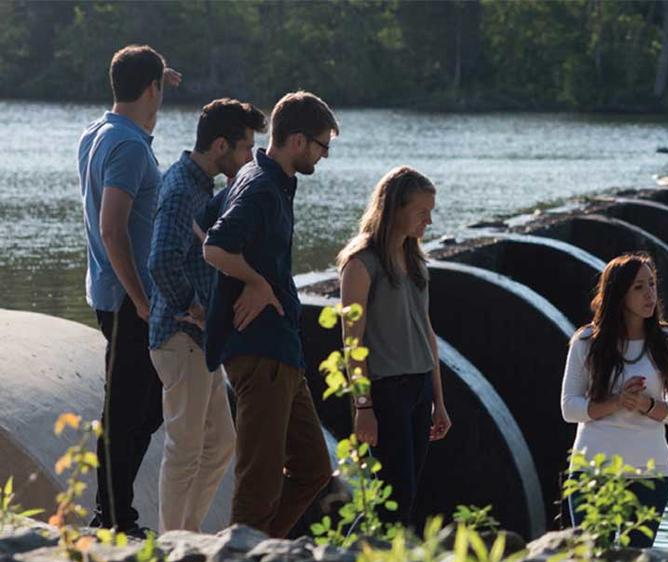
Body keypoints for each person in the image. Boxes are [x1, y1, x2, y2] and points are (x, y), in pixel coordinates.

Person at [201, 91, 338, 537]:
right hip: (259, 350)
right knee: (259, 479)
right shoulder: (260, 187)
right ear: (297, 140)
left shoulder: (259, 176)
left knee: (314, 468)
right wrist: (256, 283)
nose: (324, 155)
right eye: (322, 145)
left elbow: (203, 218)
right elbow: (215, 245)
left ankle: (262, 549)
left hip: (282, 350)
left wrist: (250, 277)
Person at [147, 98, 267, 533]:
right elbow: (160, 260)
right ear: (220, 145)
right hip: (180, 337)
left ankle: (187, 533)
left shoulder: (199, 186)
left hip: (200, 340)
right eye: (245, 148)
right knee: (185, 447)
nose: (250, 157)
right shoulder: (182, 189)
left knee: (221, 443)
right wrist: (193, 306)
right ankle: (171, 544)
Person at [77, 44, 180, 535]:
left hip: (116, 293)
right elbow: (113, 227)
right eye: (159, 88)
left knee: (145, 404)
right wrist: (140, 299)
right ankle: (114, 517)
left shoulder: (100, 132)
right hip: (126, 300)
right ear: (151, 89)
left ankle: (114, 512)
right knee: (124, 411)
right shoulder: (130, 147)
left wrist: (157, 77)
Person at [335, 166, 453, 527]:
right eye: (422, 212)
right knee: (393, 494)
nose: (429, 221)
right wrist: (363, 405)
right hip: (386, 391)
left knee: (407, 493)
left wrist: (439, 401)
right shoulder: (360, 264)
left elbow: (426, 332)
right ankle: (357, 557)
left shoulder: (415, 260)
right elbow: (351, 341)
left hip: (418, 386)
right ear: (395, 208)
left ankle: (379, 560)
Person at [560, 253, 668, 548]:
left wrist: (644, 404)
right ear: (619, 293)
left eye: (653, 284)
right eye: (639, 287)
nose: (650, 294)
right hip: (593, 471)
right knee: (593, 561)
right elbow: (569, 408)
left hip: (650, 473)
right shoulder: (586, 342)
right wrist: (618, 401)